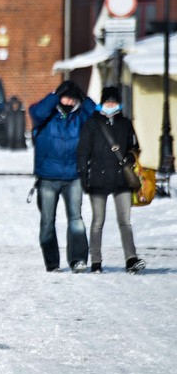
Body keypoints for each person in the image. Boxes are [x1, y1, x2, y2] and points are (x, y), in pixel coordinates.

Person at [76, 86, 146, 274]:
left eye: (113, 102)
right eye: (108, 102)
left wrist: (130, 158)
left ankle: (131, 259)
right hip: (98, 179)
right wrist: (83, 174)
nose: (110, 105)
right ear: (102, 103)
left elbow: (134, 146)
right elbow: (83, 151)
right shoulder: (91, 124)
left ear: (118, 103)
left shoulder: (125, 123)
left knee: (125, 221)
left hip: (121, 179)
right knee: (98, 221)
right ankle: (96, 261)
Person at [28, 80, 96, 273]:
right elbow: (36, 112)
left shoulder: (81, 117)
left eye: (72, 97)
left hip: (73, 177)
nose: (69, 101)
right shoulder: (46, 115)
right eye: (65, 96)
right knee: (48, 221)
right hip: (47, 178)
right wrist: (55, 95)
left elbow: (97, 116)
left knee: (76, 219)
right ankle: (52, 263)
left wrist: (84, 97)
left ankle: (78, 260)